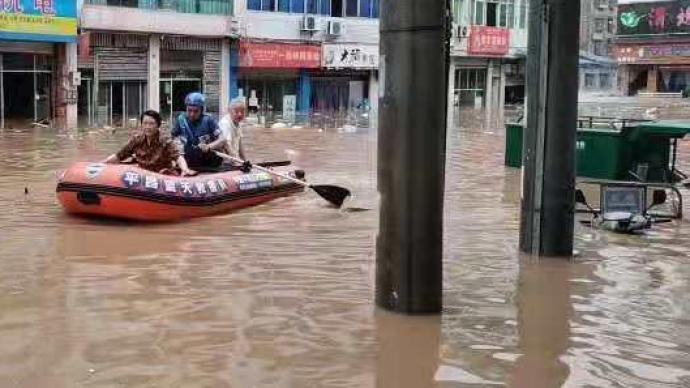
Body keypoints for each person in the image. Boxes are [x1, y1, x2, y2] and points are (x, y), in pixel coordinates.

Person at [103, 110, 196, 176]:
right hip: (143, 177)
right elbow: (119, 155)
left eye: (151, 124)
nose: (148, 127)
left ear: (158, 125)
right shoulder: (136, 139)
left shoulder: (165, 140)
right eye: (145, 123)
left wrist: (185, 169)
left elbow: (178, 156)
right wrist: (102, 164)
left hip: (162, 176)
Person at [171, 92, 225, 170]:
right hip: (189, 159)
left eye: (196, 111)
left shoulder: (209, 120)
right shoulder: (181, 120)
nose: (192, 114)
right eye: (189, 110)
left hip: (208, 161)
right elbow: (170, 138)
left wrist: (208, 146)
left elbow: (222, 140)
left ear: (201, 110)